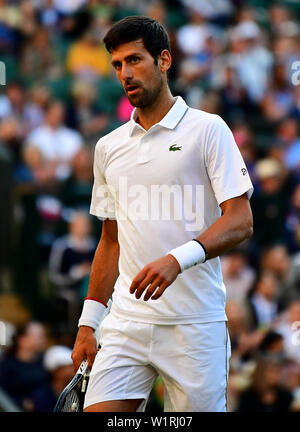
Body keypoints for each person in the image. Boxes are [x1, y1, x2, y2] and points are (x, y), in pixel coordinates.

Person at [71, 16, 254, 412]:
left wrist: (176, 260)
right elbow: (110, 240)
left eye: (135, 60)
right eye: (117, 65)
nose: (125, 73)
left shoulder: (209, 129)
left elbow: (241, 219)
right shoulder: (107, 147)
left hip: (194, 325)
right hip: (125, 322)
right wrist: (89, 322)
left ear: (164, 60)